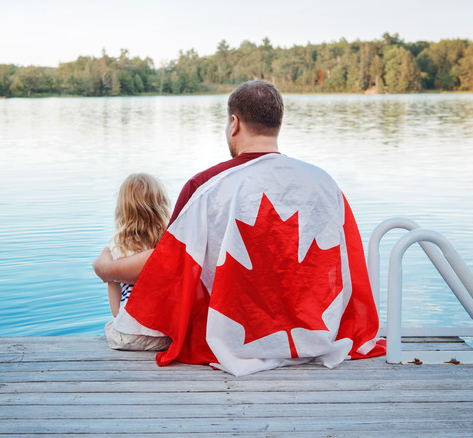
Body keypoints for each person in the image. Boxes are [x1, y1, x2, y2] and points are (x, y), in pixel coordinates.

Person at [93, 80, 384, 376]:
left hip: (237, 337)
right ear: (277, 124)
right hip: (315, 334)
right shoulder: (325, 184)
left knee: (120, 330)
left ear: (234, 124)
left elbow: (168, 266)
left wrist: (106, 270)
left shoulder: (204, 186)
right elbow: (348, 266)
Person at [99, 173, 172, 351]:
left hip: (127, 338)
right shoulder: (170, 245)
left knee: (112, 324)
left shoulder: (118, 250)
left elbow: (116, 310)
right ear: (162, 206)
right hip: (166, 337)